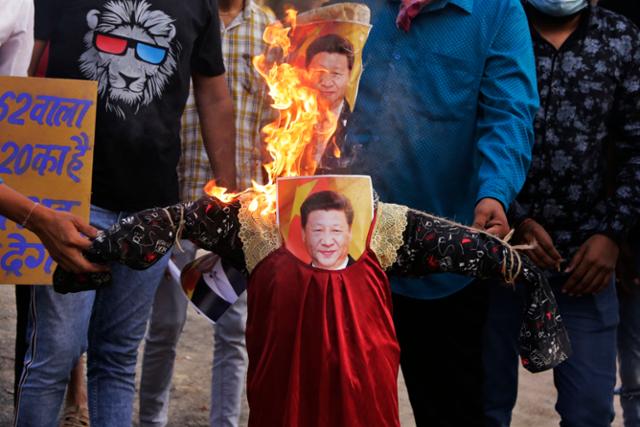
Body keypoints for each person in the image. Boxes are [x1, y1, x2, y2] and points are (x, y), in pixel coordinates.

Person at [52, 182, 569, 427]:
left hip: (362, 399)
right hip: (285, 396)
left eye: (336, 230)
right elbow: (178, 221)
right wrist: (100, 250)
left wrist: (519, 270)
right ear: (301, 226)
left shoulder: (382, 227)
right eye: (315, 230)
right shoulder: (258, 222)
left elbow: (462, 247)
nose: (326, 240)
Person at [14, 0, 236, 425]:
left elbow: (214, 93)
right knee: (55, 354)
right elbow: (23, 66)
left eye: (148, 52)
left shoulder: (199, 4)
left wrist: (229, 200)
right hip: (69, 198)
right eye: (114, 44)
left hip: (153, 210)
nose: (133, 66)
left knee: (116, 356)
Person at [338, 0, 539, 425]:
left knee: (449, 410)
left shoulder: (498, 11)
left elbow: (509, 113)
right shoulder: (361, 6)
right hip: (347, 249)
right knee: (345, 406)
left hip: (444, 256)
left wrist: (495, 192)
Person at [483, 1, 640, 426]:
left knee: (589, 410)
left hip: (583, 266)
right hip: (496, 255)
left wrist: (611, 234)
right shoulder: (494, 27)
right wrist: (512, 217)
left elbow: (635, 148)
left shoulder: (621, 38)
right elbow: (471, 128)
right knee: (482, 406)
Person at [138, 1, 274, 426]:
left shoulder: (270, 32)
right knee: (164, 326)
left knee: (234, 331)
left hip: (239, 210)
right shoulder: (180, 15)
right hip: (176, 200)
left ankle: (225, 422)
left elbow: (277, 123)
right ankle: (150, 420)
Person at [304, 34, 353, 173]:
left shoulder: (360, 126)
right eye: (319, 72)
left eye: (336, 74)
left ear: (350, 76)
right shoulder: (288, 123)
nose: (326, 82)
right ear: (306, 72)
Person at [300, 191, 354, 269]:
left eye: (336, 230)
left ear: (349, 233)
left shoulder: (371, 278)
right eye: (318, 230)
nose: (327, 242)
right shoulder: (291, 280)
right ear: (303, 234)